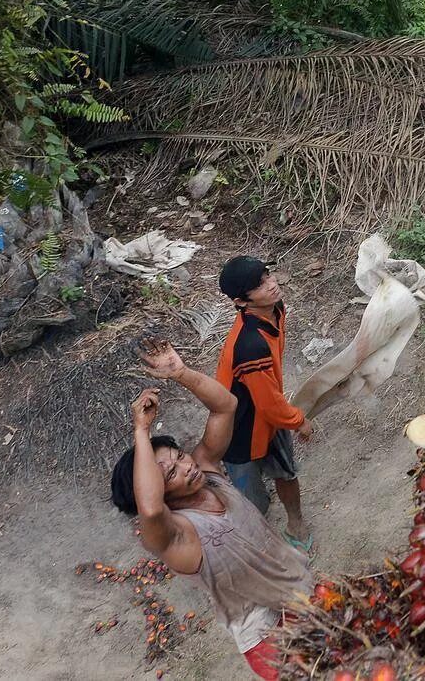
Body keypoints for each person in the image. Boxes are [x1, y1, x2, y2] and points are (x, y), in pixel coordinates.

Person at [110, 337, 313, 680]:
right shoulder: (177, 536)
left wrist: (180, 373)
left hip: (302, 590)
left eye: (179, 457)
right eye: (171, 473)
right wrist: (141, 432)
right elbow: (149, 508)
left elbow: (226, 407)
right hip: (267, 634)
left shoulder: (207, 472)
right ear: (160, 492)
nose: (186, 466)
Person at [215, 255, 313, 553]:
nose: (271, 284)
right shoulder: (249, 345)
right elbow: (269, 405)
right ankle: (260, 540)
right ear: (241, 301)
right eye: (259, 284)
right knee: (251, 498)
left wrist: (284, 413)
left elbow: (270, 400)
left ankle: (296, 524)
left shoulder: (276, 311)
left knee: (285, 472)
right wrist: (298, 420)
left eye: (268, 275)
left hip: (269, 416)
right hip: (239, 429)